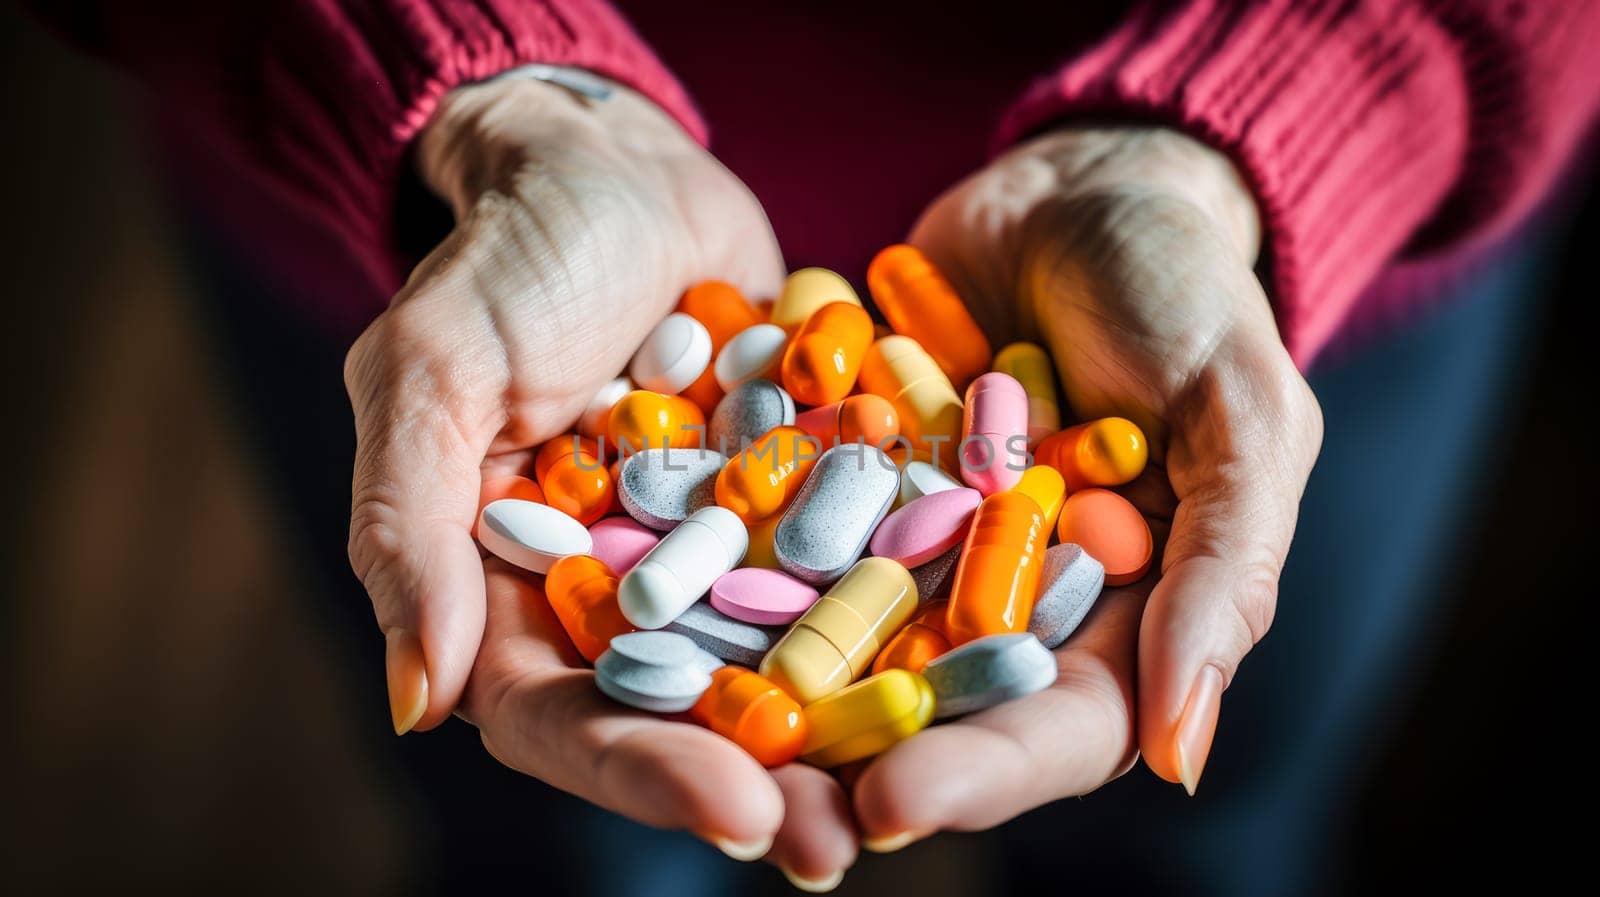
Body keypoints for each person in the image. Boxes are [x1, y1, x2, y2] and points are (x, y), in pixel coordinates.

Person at [32, 1, 1600, 892]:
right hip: (439, 220)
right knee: (556, 849)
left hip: (1283, 246)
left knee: (1209, 824)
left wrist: (1319, 78)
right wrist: (482, 95)